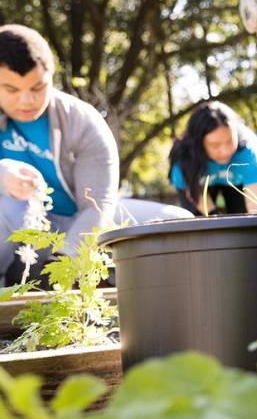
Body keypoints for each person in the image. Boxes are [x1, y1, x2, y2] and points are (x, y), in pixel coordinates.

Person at [0, 25, 190, 276]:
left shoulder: (83, 121)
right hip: (20, 238)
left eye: (37, 88)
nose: (26, 100)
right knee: (10, 204)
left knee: (179, 222)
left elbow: (98, 206)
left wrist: (64, 265)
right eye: (11, 89)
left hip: (76, 229)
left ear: (51, 75)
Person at [168, 102, 257, 216]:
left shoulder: (248, 151)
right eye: (215, 145)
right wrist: (213, 215)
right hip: (199, 186)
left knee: (242, 217)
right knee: (198, 221)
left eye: (230, 141)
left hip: (236, 183)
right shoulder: (184, 157)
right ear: (198, 144)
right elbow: (195, 195)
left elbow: (256, 205)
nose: (225, 151)